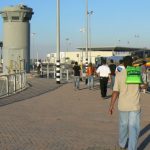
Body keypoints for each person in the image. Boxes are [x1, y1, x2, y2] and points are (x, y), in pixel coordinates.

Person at [109, 56, 147, 150]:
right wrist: (145, 84)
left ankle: (122, 144)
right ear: (132, 63)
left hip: (123, 105)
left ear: (124, 64)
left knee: (123, 126)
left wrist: (111, 105)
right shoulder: (136, 73)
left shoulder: (119, 74)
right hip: (134, 105)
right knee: (133, 128)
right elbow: (143, 87)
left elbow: (115, 92)